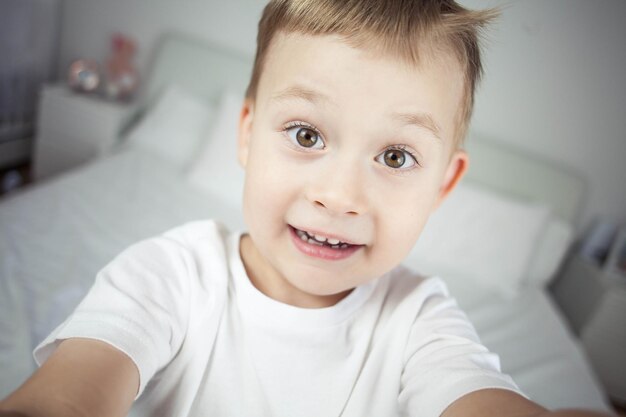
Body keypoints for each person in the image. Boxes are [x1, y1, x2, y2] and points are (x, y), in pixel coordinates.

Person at [0, 1, 615, 416]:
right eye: (305, 135)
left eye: (396, 157)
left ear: (443, 186)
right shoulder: (170, 276)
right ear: (244, 135)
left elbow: (479, 397)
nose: (339, 197)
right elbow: (69, 395)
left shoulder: (421, 322)